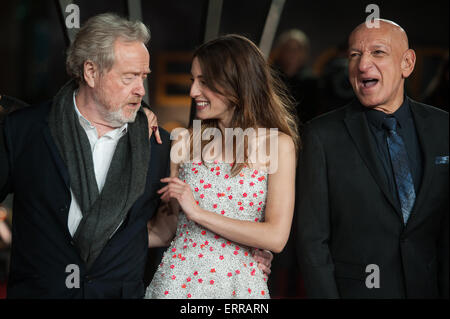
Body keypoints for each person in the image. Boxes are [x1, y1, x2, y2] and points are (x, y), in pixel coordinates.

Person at [0, 13, 171, 299]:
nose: (140, 89)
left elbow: (179, 227)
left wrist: (250, 258)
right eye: (129, 77)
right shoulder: (24, 130)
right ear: (91, 72)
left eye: (143, 77)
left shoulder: (158, 144)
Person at [296, 19, 448, 298]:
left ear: (407, 63)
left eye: (378, 52)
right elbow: (312, 241)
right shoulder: (321, 136)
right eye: (354, 55)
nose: (363, 65)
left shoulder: (443, 128)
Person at [145, 34, 299, 299]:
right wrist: (98, 242)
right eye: (192, 81)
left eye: (204, 82)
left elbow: (276, 236)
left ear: (236, 83)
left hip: (239, 288)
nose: (193, 92)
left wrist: (198, 213)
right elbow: (163, 230)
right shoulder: (184, 141)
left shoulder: (278, 145)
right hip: (177, 284)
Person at [271, 29, 321, 125]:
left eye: (297, 49)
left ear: (304, 53)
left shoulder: (312, 82)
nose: (292, 54)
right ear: (280, 52)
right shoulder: (270, 78)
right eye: (288, 49)